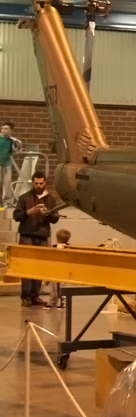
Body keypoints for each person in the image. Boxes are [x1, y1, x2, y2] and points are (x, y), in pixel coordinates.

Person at [13, 171, 61, 308]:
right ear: (32, 183)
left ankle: (35, 295)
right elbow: (16, 216)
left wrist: (47, 214)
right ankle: (26, 296)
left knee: (40, 267)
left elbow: (55, 219)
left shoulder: (50, 199)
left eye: (41, 183)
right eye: (36, 183)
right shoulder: (24, 198)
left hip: (42, 236)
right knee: (27, 267)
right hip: (27, 235)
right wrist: (29, 212)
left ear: (45, 183)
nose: (39, 186)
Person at [0, 122, 18, 207]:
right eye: (2, 128)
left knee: (6, 183)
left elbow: (17, 149)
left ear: (10, 130)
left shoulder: (12, 140)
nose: (3, 130)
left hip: (7, 164)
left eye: (6, 129)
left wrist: (15, 143)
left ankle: (6, 201)